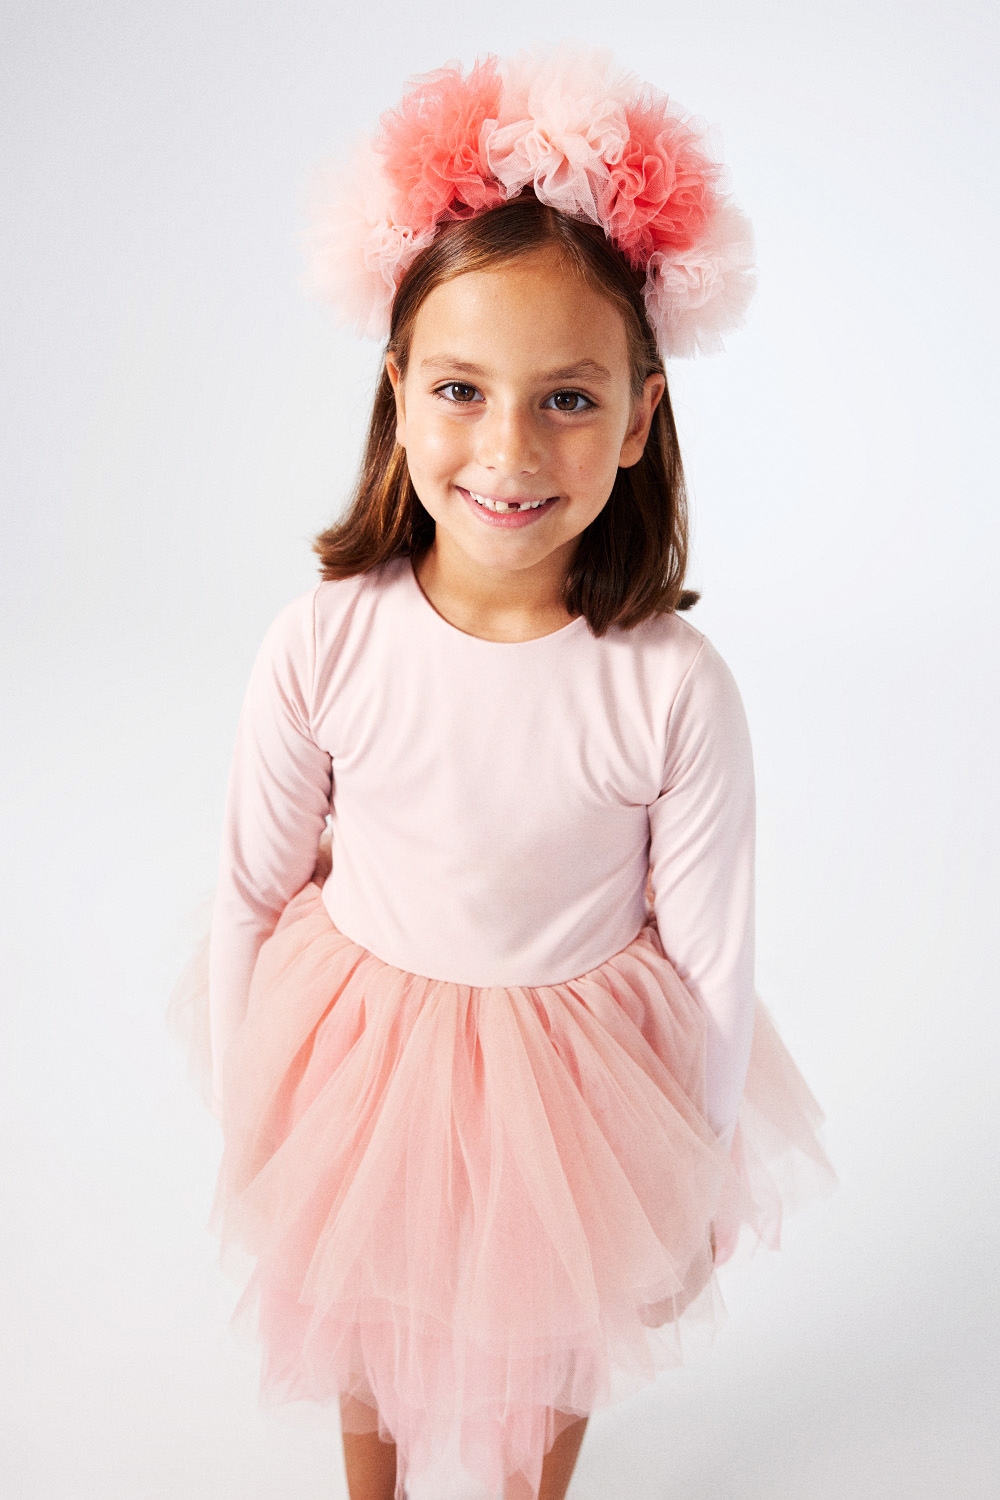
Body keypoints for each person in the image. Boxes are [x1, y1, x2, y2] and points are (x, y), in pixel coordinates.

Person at [195, 46, 834, 1500]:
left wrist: (695, 1175)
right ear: (399, 395)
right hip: (364, 1045)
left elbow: (715, 955)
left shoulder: (672, 687)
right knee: (366, 1290)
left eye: (568, 399)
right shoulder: (325, 641)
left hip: (577, 1071)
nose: (508, 449)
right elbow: (250, 887)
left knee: (552, 1325)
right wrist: (252, 1123)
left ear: (640, 418)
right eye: (462, 389)